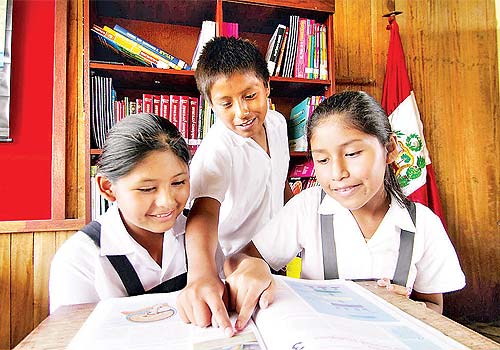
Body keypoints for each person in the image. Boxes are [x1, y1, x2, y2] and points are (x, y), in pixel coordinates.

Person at [225, 90, 465, 319]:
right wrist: (254, 267)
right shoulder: (308, 207)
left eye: (352, 154)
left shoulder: (422, 223)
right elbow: (241, 258)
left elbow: (433, 304)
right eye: (322, 159)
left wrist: (412, 309)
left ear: (390, 148)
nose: (337, 173)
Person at [177, 37, 292, 335]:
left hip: (273, 259)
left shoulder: (278, 125)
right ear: (211, 105)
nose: (241, 112)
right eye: (226, 103)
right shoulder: (217, 147)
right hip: (230, 273)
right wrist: (201, 275)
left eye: (250, 96)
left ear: (267, 87)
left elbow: (279, 182)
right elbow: (202, 213)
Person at [49, 113, 191, 313]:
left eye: (178, 182)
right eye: (147, 188)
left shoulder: (200, 229)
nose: (167, 202)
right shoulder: (79, 260)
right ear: (107, 187)